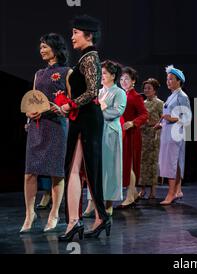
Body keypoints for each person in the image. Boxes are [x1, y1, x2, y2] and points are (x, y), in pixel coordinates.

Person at [58, 15, 110, 241]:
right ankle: (92, 218)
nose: (72, 37)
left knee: (80, 168)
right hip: (83, 117)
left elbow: (91, 92)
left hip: (87, 118)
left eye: (76, 33)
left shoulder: (90, 58)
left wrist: (70, 105)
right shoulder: (86, 58)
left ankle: (77, 222)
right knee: (78, 168)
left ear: (88, 35)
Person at [21, 33, 71, 233]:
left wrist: (60, 109)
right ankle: (29, 213)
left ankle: (55, 213)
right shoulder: (39, 73)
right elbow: (33, 99)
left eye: (45, 46)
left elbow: (72, 100)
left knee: (56, 173)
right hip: (37, 126)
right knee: (29, 172)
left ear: (55, 48)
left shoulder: (67, 72)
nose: (41, 50)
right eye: (40, 46)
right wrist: (28, 117)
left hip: (57, 125)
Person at [83, 60, 126, 218]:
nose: (102, 76)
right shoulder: (98, 92)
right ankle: (91, 203)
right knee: (94, 168)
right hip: (96, 132)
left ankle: (108, 204)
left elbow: (117, 112)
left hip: (111, 133)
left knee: (110, 168)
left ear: (113, 76)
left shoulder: (119, 92)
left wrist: (100, 111)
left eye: (105, 73)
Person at [115, 67, 149, 209]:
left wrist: (133, 122)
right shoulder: (121, 94)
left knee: (129, 164)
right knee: (124, 164)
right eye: (121, 79)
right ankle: (133, 193)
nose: (123, 82)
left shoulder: (135, 96)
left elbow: (144, 115)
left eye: (127, 79)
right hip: (121, 133)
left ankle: (129, 196)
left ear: (133, 81)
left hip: (131, 134)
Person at [157, 65, 192, 205]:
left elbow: (188, 117)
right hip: (168, 132)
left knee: (172, 163)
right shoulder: (172, 96)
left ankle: (171, 194)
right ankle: (177, 190)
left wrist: (171, 119)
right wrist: (161, 123)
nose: (168, 81)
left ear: (179, 81)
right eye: (167, 79)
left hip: (176, 134)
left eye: (171, 79)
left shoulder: (182, 96)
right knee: (173, 163)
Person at [139, 78, 164, 199]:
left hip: (154, 134)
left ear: (154, 90)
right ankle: (142, 189)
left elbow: (163, 118)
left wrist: (156, 124)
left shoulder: (159, 103)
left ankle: (153, 190)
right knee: (143, 162)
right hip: (143, 134)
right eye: (145, 88)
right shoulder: (142, 103)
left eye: (149, 88)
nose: (146, 90)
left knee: (153, 162)